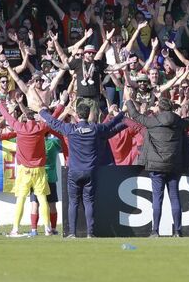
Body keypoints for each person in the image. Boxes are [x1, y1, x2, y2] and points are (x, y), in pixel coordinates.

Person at [40, 93, 126, 238]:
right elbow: (111, 124)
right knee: (89, 202)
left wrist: (42, 112)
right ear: (90, 114)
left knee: (73, 202)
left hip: (74, 171)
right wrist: (121, 113)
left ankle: (72, 233)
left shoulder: (70, 129)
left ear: (77, 116)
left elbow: (53, 123)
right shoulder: (95, 129)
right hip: (90, 171)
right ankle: (90, 233)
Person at [124, 96, 189, 237]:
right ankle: (178, 232)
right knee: (174, 198)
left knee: (157, 199)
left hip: (156, 167)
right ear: (171, 107)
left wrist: (128, 99)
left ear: (159, 108)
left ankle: (155, 231)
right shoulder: (179, 122)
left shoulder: (152, 121)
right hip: (174, 166)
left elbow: (134, 115)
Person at [0, 91, 54, 237]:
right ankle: (47, 228)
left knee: (20, 199)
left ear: (25, 117)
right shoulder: (41, 128)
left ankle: (15, 228)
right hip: (39, 169)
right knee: (42, 198)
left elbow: (7, 116)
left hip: (24, 170)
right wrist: (62, 104)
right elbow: (53, 119)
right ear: (36, 118)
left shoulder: (19, 127)